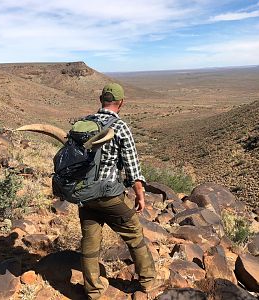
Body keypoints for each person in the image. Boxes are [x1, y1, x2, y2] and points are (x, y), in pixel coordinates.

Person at [79, 83, 161, 299]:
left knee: (90, 240)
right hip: (109, 195)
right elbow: (132, 167)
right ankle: (148, 281)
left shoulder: (84, 123)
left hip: (86, 195)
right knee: (134, 233)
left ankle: (93, 290)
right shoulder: (120, 127)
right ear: (121, 103)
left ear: (100, 100)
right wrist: (140, 195)